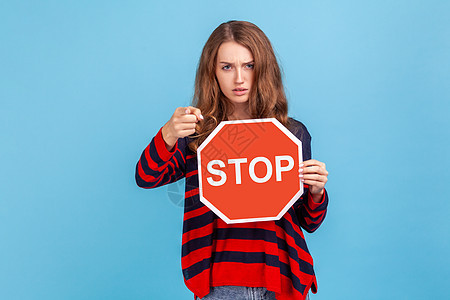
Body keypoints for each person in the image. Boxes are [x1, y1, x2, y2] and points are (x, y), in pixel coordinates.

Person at [135, 20, 329, 300]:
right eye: (227, 67)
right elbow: (146, 177)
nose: (239, 78)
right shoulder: (197, 133)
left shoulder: (291, 133)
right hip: (220, 282)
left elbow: (308, 221)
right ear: (212, 72)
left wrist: (316, 191)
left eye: (248, 65)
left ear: (263, 68)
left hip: (282, 276)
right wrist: (167, 133)